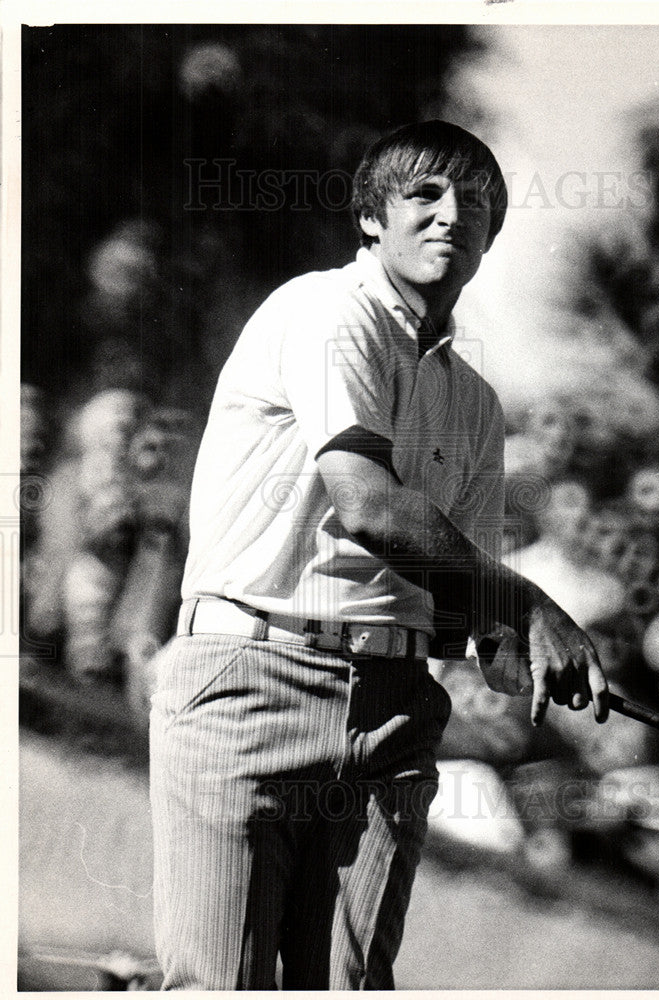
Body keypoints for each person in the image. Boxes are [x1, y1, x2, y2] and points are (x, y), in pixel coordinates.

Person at [149, 120, 609, 991]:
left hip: (393, 709)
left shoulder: (472, 399)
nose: (450, 217)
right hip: (251, 678)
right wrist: (528, 606)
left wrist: (536, 661)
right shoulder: (327, 311)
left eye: (473, 202)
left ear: (492, 235)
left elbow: (465, 616)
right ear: (370, 218)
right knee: (222, 985)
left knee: (352, 988)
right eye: (424, 196)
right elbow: (368, 506)